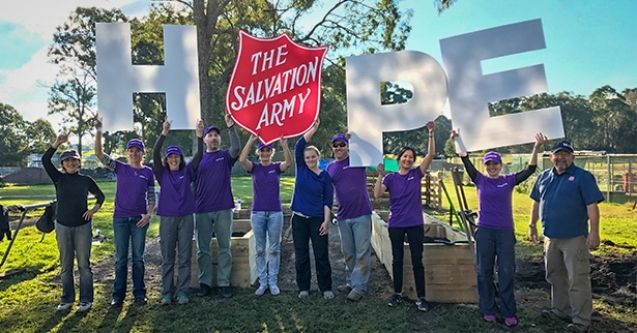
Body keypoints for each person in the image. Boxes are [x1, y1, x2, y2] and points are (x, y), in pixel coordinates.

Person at [452, 130, 546, 327]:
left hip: (504, 232)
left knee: (506, 272)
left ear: (500, 165)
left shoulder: (509, 180)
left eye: (495, 164)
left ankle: (508, 311)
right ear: (485, 166)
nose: (492, 167)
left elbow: (530, 169)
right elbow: (465, 158)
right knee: (483, 271)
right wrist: (457, 140)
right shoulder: (480, 179)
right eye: (489, 164)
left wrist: (536, 147)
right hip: (485, 231)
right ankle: (487, 308)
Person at [529, 140, 604, 333]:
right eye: (558, 154)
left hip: (574, 238)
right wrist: (532, 226)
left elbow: (592, 206)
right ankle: (560, 310)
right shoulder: (544, 177)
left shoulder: (583, 177)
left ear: (572, 157)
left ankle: (581, 321)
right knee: (555, 275)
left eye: (566, 154)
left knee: (577, 279)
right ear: (551, 157)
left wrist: (594, 232)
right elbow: (536, 202)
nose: (561, 158)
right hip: (550, 237)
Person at [374, 121, 435, 311]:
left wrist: (431, 134)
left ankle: (422, 297)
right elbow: (377, 194)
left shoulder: (417, 174)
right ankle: (397, 294)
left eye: (411, 157)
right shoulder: (390, 177)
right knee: (397, 260)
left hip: (415, 224)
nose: (408, 159)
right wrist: (379, 175)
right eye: (405, 156)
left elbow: (431, 155)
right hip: (397, 224)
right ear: (399, 159)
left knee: (417, 260)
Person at [42, 133, 105, 313]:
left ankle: (86, 300)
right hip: (62, 226)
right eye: (67, 160)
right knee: (66, 265)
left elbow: (101, 196)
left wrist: (93, 210)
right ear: (62, 164)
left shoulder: (86, 180)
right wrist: (56, 143)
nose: (71, 163)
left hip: (83, 227)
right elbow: (45, 160)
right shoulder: (58, 178)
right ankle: (67, 299)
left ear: (79, 163)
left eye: (74, 160)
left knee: (84, 265)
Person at [95, 120, 156, 307]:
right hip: (120, 219)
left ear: (143, 153)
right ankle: (118, 296)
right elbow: (99, 154)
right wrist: (98, 130)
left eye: (138, 150)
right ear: (127, 153)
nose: (134, 153)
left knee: (138, 258)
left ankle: (139, 293)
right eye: (131, 150)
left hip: (139, 220)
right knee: (121, 259)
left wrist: (148, 215)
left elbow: (152, 196)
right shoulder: (120, 167)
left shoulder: (148, 172)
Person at [153, 118, 204, 305]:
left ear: (180, 159)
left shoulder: (188, 172)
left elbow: (199, 156)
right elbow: (155, 152)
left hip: (186, 219)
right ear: (166, 160)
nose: (173, 159)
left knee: (184, 256)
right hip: (167, 219)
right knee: (168, 258)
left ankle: (183, 291)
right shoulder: (161, 173)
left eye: (176, 156)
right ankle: (167, 292)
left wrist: (199, 137)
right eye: (170, 157)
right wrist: (163, 133)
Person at [193, 114, 241, 298]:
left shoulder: (225, 156)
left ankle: (224, 283)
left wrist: (230, 127)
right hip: (202, 209)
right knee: (202, 249)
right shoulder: (199, 159)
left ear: (219, 139)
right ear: (204, 139)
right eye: (209, 135)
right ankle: (205, 283)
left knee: (224, 247)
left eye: (216, 135)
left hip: (223, 208)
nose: (213, 137)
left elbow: (236, 147)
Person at [238, 134, 292, 296]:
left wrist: (284, 145)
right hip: (258, 213)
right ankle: (263, 282)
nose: (265, 153)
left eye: (268, 150)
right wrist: (251, 140)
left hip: (275, 213)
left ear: (272, 152)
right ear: (259, 152)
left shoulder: (276, 167)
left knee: (274, 249)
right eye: (262, 150)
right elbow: (241, 160)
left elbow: (288, 163)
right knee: (260, 249)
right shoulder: (254, 168)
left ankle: (273, 282)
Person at [326, 133, 373, 301]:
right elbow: (326, 190)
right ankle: (351, 281)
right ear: (333, 148)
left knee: (362, 252)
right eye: (336, 145)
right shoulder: (330, 167)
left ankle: (359, 287)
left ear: (347, 146)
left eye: (342, 144)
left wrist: (356, 138)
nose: (338, 147)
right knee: (348, 253)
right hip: (343, 215)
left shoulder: (357, 160)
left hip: (361, 213)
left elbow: (370, 149)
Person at [291, 120, 334, 300]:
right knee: (301, 255)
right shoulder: (301, 168)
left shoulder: (325, 177)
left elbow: (328, 201)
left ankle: (326, 288)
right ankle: (304, 288)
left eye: (312, 157)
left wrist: (326, 221)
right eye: (307, 157)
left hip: (318, 218)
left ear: (318, 157)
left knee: (321, 254)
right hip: (299, 219)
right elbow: (299, 145)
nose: (309, 160)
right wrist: (313, 129)